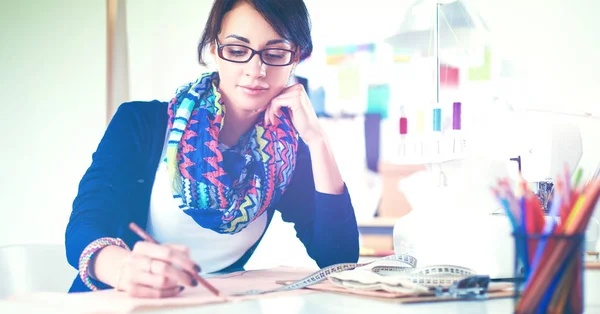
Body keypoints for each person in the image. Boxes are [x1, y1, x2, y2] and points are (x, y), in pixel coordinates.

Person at [65, 0, 359, 298]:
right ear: (213, 49)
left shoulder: (282, 155)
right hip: (119, 302)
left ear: (295, 57)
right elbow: (85, 227)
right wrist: (126, 269)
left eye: (275, 53)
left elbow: (339, 259)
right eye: (236, 51)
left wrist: (318, 139)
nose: (256, 70)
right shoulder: (141, 123)